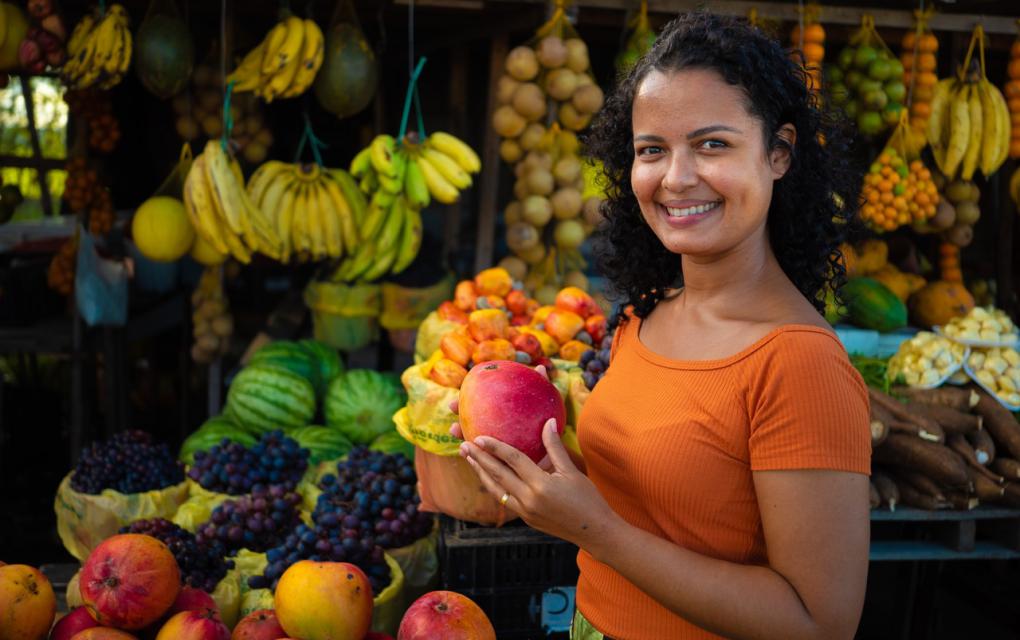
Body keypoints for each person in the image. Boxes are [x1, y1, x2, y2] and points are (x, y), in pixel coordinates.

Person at [456, 11, 871, 640]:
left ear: (778, 153)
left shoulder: (799, 363)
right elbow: (662, 498)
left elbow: (819, 623)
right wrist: (548, 469)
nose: (675, 179)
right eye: (652, 150)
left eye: (712, 144)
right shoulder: (645, 316)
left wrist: (598, 531)